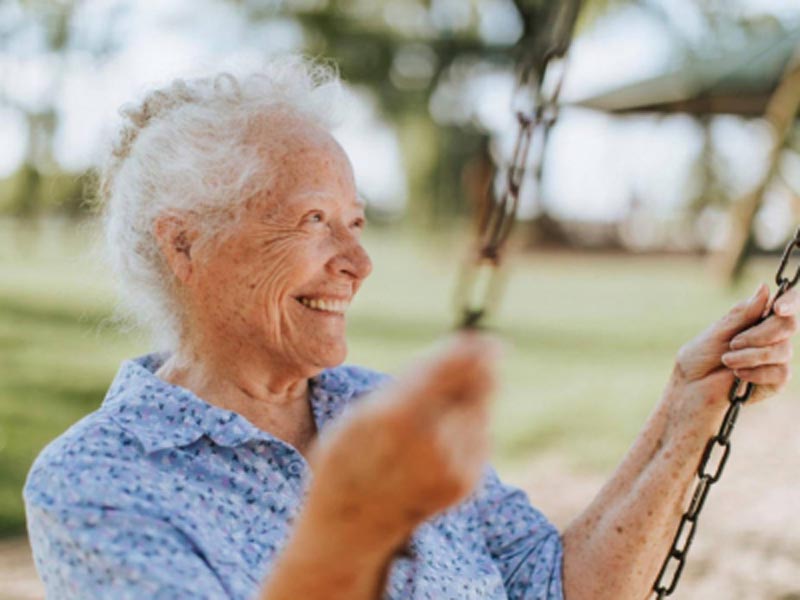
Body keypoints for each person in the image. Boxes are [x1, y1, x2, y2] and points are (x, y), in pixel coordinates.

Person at [24, 57, 799, 600]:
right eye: (314, 221)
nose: (358, 261)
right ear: (186, 243)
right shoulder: (97, 484)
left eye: (358, 222)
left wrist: (683, 414)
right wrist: (356, 523)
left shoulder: (383, 410)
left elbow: (554, 588)